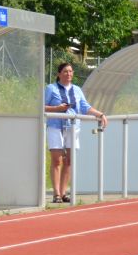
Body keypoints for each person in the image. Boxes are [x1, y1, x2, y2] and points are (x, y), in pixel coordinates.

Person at [45, 61, 108, 203]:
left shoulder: (77, 90)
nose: (68, 74)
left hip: (73, 127)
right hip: (55, 126)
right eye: (65, 71)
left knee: (69, 160)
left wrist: (100, 114)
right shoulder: (51, 88)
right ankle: (56, 194)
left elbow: (85, 107)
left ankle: (63, 193)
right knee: (57, 160)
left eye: (70, 71)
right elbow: (42, 107)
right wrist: (57, 109)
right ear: (59, 74)